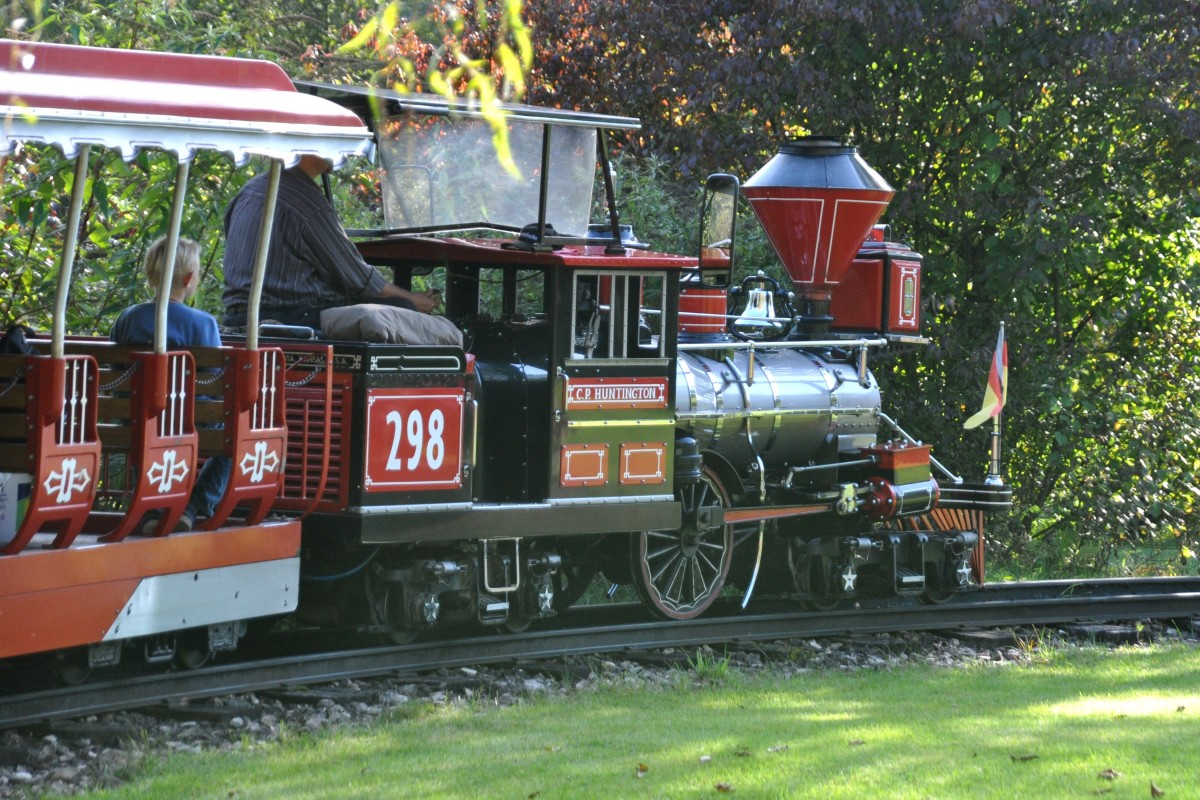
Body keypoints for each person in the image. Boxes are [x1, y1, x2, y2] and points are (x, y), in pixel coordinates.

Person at [221, 154, 439, 329]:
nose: (342, 152)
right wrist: (413, 299)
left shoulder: (249, 191)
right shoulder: (305, 202)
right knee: (401, 307)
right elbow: (360, 280)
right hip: (292, 317)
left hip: (238, 315)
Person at [111, 236, 230, 533]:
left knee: (146, 426)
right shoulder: (203, 324)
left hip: (135, 421)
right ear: (190, 279)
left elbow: (114, 371)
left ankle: (153, 506)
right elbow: (214, 379)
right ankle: (194, 504)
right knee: (236, 432)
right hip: (191, 423)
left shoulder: (128, 319)